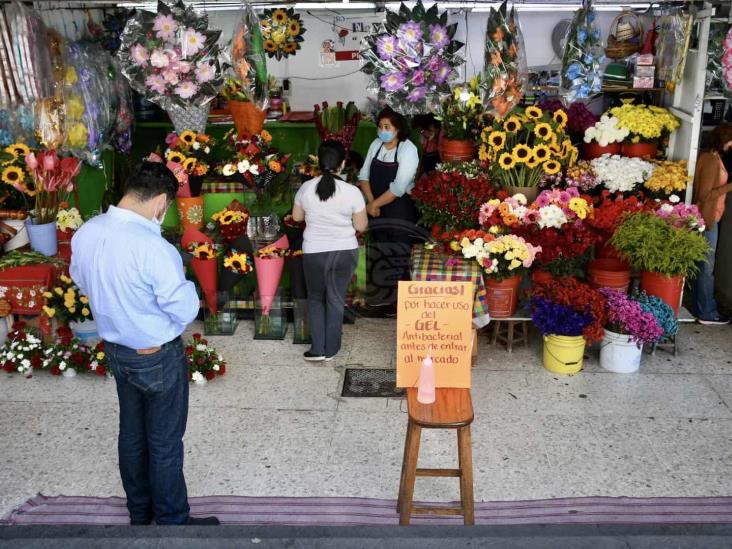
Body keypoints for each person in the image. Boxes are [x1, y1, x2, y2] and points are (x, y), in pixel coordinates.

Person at [70, 162, 219, 526]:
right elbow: (183, 309)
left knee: (132, 435)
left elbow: (82, 282)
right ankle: (172, 521)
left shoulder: (87, 232)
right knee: (165, 442)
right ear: (161, 202)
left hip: (116, 351)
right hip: (156, 355)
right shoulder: (153, 247)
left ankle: (140, 513)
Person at [292, 140, 367, 361]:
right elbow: (361, 226)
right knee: (335, 299)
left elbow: (297, 217)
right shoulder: (352, 192)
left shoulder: (306, 188)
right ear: (342, 164)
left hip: (314, 252)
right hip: (344, 252)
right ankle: (332, 349)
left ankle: (317, 349)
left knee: (315, 298)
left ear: (318, 162)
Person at [357, 108, 421, 313]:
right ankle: (384, 299)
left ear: (398, 129)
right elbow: (364, 175)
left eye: (387, 127)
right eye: (380, 126)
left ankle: (403, 303)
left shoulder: (407, 149)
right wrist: (371, 202)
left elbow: (399, 187)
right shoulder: (376, 145)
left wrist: (374, 205)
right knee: (381, 249)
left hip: (399, 208)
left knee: (399, 252)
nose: (382, 131)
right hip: (376, 206)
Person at [692, 122, 732, 325]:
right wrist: (728, 187)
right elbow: (704, 195)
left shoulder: (713, 157)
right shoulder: (711, 160)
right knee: (706, 266)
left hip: (710, 217)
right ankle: (707, 311)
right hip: (707, 219)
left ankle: (702, 306)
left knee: (704, 264)